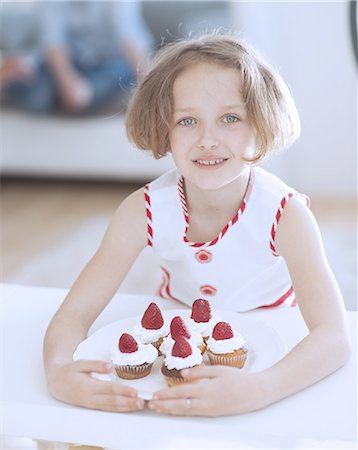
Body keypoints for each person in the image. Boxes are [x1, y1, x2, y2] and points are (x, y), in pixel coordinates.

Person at [43, 33, 350, 417]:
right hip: (176, 344)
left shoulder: (286, 214)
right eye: (187, 121)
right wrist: (58, 372)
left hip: (277, 359)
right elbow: (75, 312)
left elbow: (335, 337)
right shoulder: (143, 210)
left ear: (261, 122)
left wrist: (261, 388)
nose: (208, 140)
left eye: (230, 118)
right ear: (162, 127)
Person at [0, 1, 154, 114]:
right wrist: (66, 79)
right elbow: (53, 41)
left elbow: (128, 38)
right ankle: (15, 74)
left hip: (114, 58)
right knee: (37, 97)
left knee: (121, 71)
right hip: (74, 60)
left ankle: (87, 92)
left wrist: (150, 86)